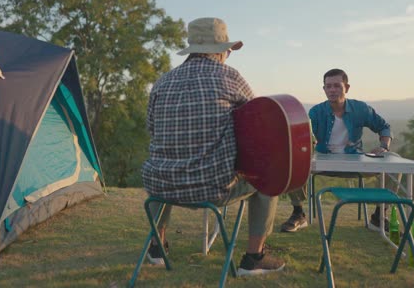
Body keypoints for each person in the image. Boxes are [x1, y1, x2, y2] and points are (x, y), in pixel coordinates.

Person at [142, 17, 285, 276]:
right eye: (228, 50)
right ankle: (254, 259)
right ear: (221, 51)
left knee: (160, 169)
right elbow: (258, 125)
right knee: (268, 178)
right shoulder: (229, 76)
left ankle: (157, 247)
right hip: (211, 189)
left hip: (161, 188)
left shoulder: (162, 82)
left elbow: (151, 129)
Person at [280, 68, 393, 233]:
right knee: (293, 163)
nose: (332, 90)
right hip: (324, 160)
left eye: (337, 86)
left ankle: (379, 216)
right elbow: (306, 138)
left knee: (393, 161)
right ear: (324, 89)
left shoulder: (360, 108)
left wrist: (383, 146)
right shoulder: (316, 112)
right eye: (328, 86)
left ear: (346, 88)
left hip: (355, 161)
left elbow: (384, 127)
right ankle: (298, 213)